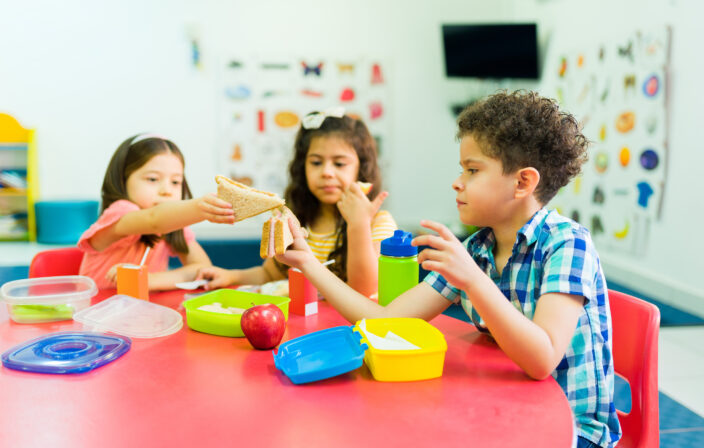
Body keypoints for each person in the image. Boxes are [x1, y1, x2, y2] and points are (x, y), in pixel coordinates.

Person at [276, 92, 621, 447]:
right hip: (505, 412)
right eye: (462, 169)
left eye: (472, 170)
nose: (457, 182)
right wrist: (307, 263)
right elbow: (384, 321)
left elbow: (542, 359)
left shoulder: (567, 244)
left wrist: (472, 280)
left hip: (571, 431)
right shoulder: (476, 249)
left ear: (522, 183)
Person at [197, 108, 397, 297]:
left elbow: (363, 291)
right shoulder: (296, 219)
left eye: (339, 163)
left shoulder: (378, 223)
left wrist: (358, 224)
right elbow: (270, 276)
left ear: (361, 168)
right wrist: (231, 276)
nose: (327, 172)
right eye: (316, 162)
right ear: (303, 167)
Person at [78, 134, 235, 290]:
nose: (166, 191)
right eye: (152, 179)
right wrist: (200, 208)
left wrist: (149, 280)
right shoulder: (121, 212)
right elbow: (154, 221)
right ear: (123, 180)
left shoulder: (172, 224)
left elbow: (202, 268)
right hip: (96, 311)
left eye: (175, 182)